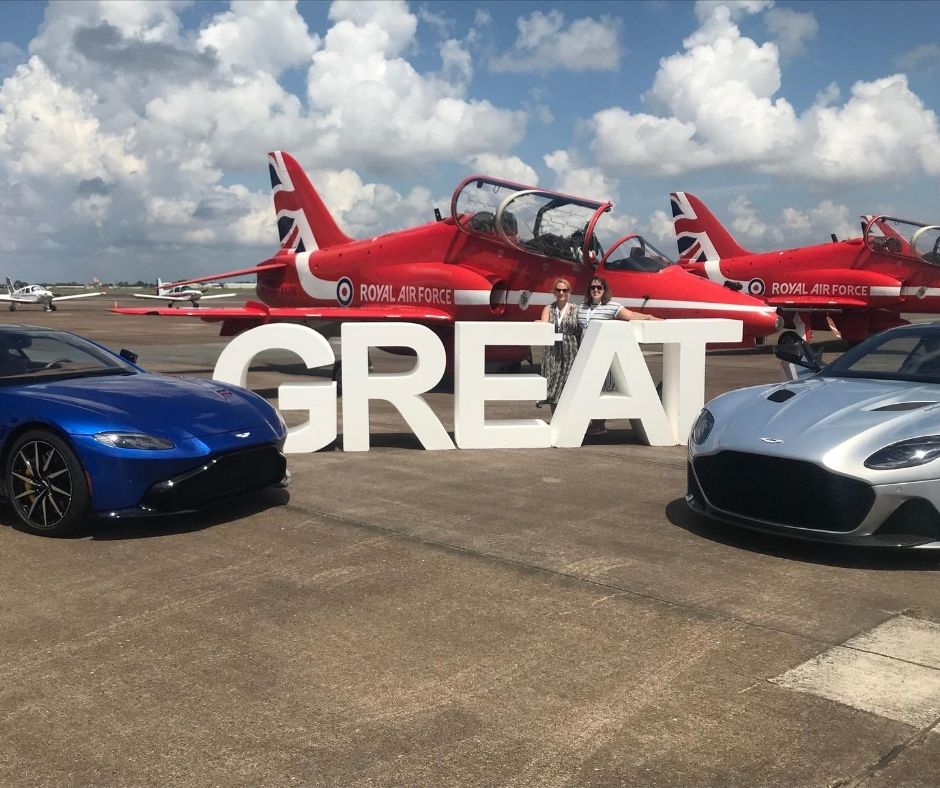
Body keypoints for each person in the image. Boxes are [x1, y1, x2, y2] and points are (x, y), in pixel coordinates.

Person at [578, 276, 659, 435]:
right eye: (592, 287)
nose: (595, 290)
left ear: (604, 290)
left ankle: (599, 424)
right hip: (583, 356)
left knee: (601, 389)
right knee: (586, 389)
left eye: (599, 288)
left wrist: (648, 317)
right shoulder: (582, 307)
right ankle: (588, 421)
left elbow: (629, 315)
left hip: (602, 356)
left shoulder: (611, 306)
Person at [537, 277, 579, 413]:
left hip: (571, 350)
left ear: (569, 292)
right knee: (553, 383)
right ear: (554, 292)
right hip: (553, 351)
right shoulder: (548, 309)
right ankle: (555, 418)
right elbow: (544, 326)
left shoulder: (576, 309)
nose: (561, 293)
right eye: (558, 290)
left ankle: (568, 419)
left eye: (564, 290)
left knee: (569, 384)